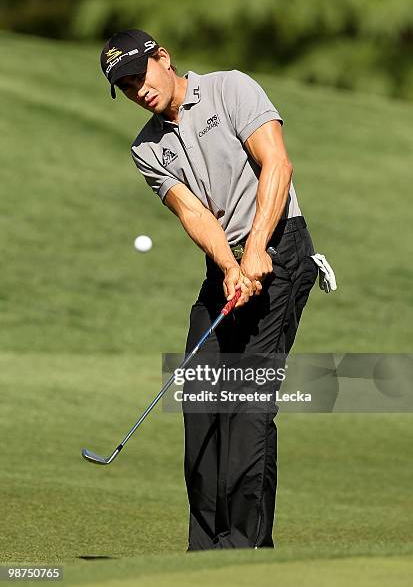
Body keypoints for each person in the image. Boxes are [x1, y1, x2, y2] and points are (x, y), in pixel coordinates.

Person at [100, 29, 319, 551]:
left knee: (247, 404)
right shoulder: (146, 148)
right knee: (200, 398)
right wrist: (229, 264)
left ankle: (244, 550)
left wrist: (258, 249)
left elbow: (278, 165)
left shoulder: (231, 89)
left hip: (281, 250)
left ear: (163, 58)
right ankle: (204, 551)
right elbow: (193, 212)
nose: (137, 89)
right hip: (227, 264)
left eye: (139, 74)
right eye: (124, 86)